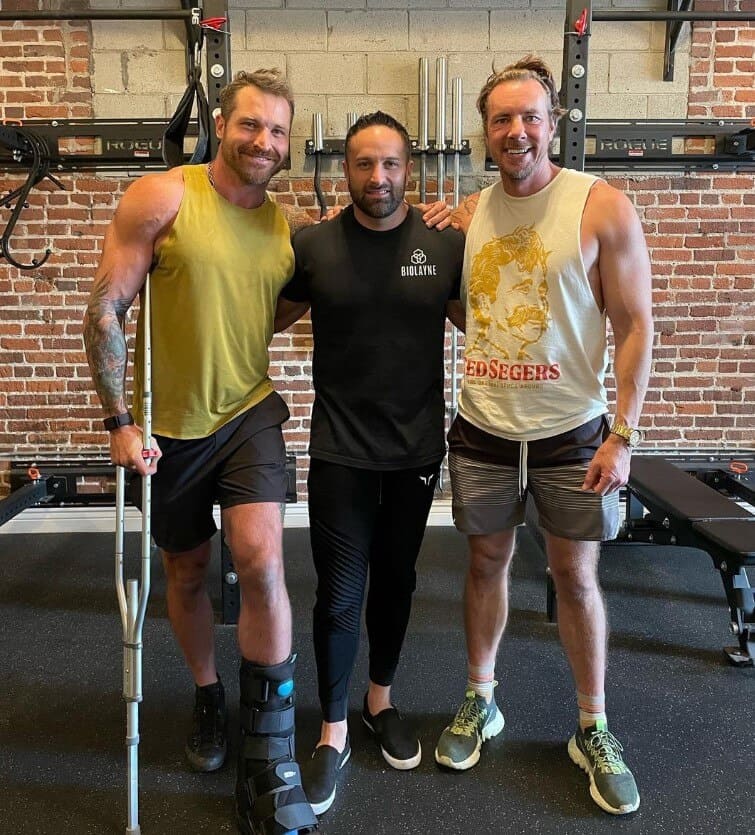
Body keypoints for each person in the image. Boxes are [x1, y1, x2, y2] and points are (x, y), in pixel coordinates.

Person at [83, 68, 322, 835]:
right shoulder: (164, 197)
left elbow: (272, 305)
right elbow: (107, 308)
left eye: (278, 131)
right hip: (165, 426)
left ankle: (270, 743)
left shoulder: (283, 227)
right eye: (251, 125)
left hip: (247, 412)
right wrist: (119, 418)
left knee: (259, 556)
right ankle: (208, 693)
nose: (264, 141)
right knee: (186, 569)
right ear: (224, 125)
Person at [434, 55, 653, 818]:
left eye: (530, 116)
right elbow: (471, 312)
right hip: (485, 429)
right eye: (501, 119)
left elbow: (633, 328)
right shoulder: (468, 215)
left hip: (570, 433)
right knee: (484, 562)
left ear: (552, 122)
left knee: (576, 577)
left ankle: (591, 726)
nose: (516, 131)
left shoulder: (599, 207)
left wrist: (621, 435)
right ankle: (480, 699)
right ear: (485, 132)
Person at [274, 111, 465, 816]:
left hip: (416, 451)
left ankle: (379, 700)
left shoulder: (444, 244)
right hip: (339, 451)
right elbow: (262, 317)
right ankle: (331, 728)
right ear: (344, 169)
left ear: (408, 168)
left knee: (398, 582)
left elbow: (490, 322)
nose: (377, 177)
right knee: (339, 592)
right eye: (363, 164)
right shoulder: (316, 245)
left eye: (389, 164)